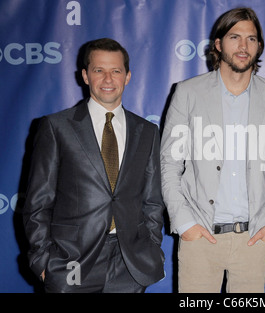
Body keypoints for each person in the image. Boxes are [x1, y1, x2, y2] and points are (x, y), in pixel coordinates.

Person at [160, 7, 265, 292]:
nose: (243, 46)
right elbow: (170, 164)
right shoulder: (187, 92)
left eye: (252, 39)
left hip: (255, 237)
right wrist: (185, 224)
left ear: (259, 47)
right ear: (218, 45)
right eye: (235, 37)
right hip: (200, 236)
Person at [22, 38, 165, 293]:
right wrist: (42, 260)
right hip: (72, 261)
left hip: (129, 263)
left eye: (116, 71)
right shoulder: (57, 127)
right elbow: (37, 203)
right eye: (99, 70)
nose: (108, 79)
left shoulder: (147, 131)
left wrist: (151, 246)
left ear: (128, 76)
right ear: (86, 76)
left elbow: (152, 200)